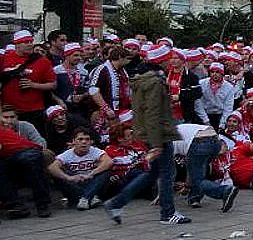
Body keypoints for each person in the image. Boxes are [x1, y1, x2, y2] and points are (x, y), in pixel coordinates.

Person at [106, 43, 189, 225]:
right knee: (167, 173)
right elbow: (152, 112)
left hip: (150, 131)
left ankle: (116, 202)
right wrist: (157, 142)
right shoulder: (154, 82)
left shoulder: (143, 78)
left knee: (153, 173)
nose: (171, 62)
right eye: (168, 58)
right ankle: (168, 213)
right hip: (158, 133)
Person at [0, 104, 53, 218]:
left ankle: (42, 204)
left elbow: (41, 144)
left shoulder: (25, 126)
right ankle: (15, 205)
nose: (9, 120)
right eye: (5, 117)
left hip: (26, 152)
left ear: (17, 117)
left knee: (31, 160)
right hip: (6, 157)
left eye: (12, 117)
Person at [2, 30, 57, 129]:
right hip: (8, 111)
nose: (30, 44)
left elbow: (53, 84)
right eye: (26, 42)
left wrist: (33, 85)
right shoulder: (4, 59)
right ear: (17, 44)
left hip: (34, 111)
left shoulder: (43, 61)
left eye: (31, 42)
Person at [48, 129, 113, 209]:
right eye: (80, 139)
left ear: (91, 142)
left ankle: (85, 198)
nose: (84, 142)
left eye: (87, 139)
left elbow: (109, 162)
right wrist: (69, 177)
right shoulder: (67, 154)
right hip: (76, 183)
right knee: (58, 174)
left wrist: (91, 174)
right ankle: (90, 198)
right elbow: (52, 168)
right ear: (74, 141)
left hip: (92, 182)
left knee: (106, 172)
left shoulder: (96, 151)